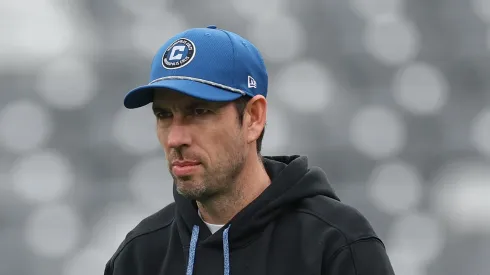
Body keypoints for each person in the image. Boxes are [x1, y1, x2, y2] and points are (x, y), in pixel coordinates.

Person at [104, 25, 395, 275]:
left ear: (254, 118)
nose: (175, 138)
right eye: (164, 115)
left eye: (199, 111)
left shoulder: (337, 244)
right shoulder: (139, 255)